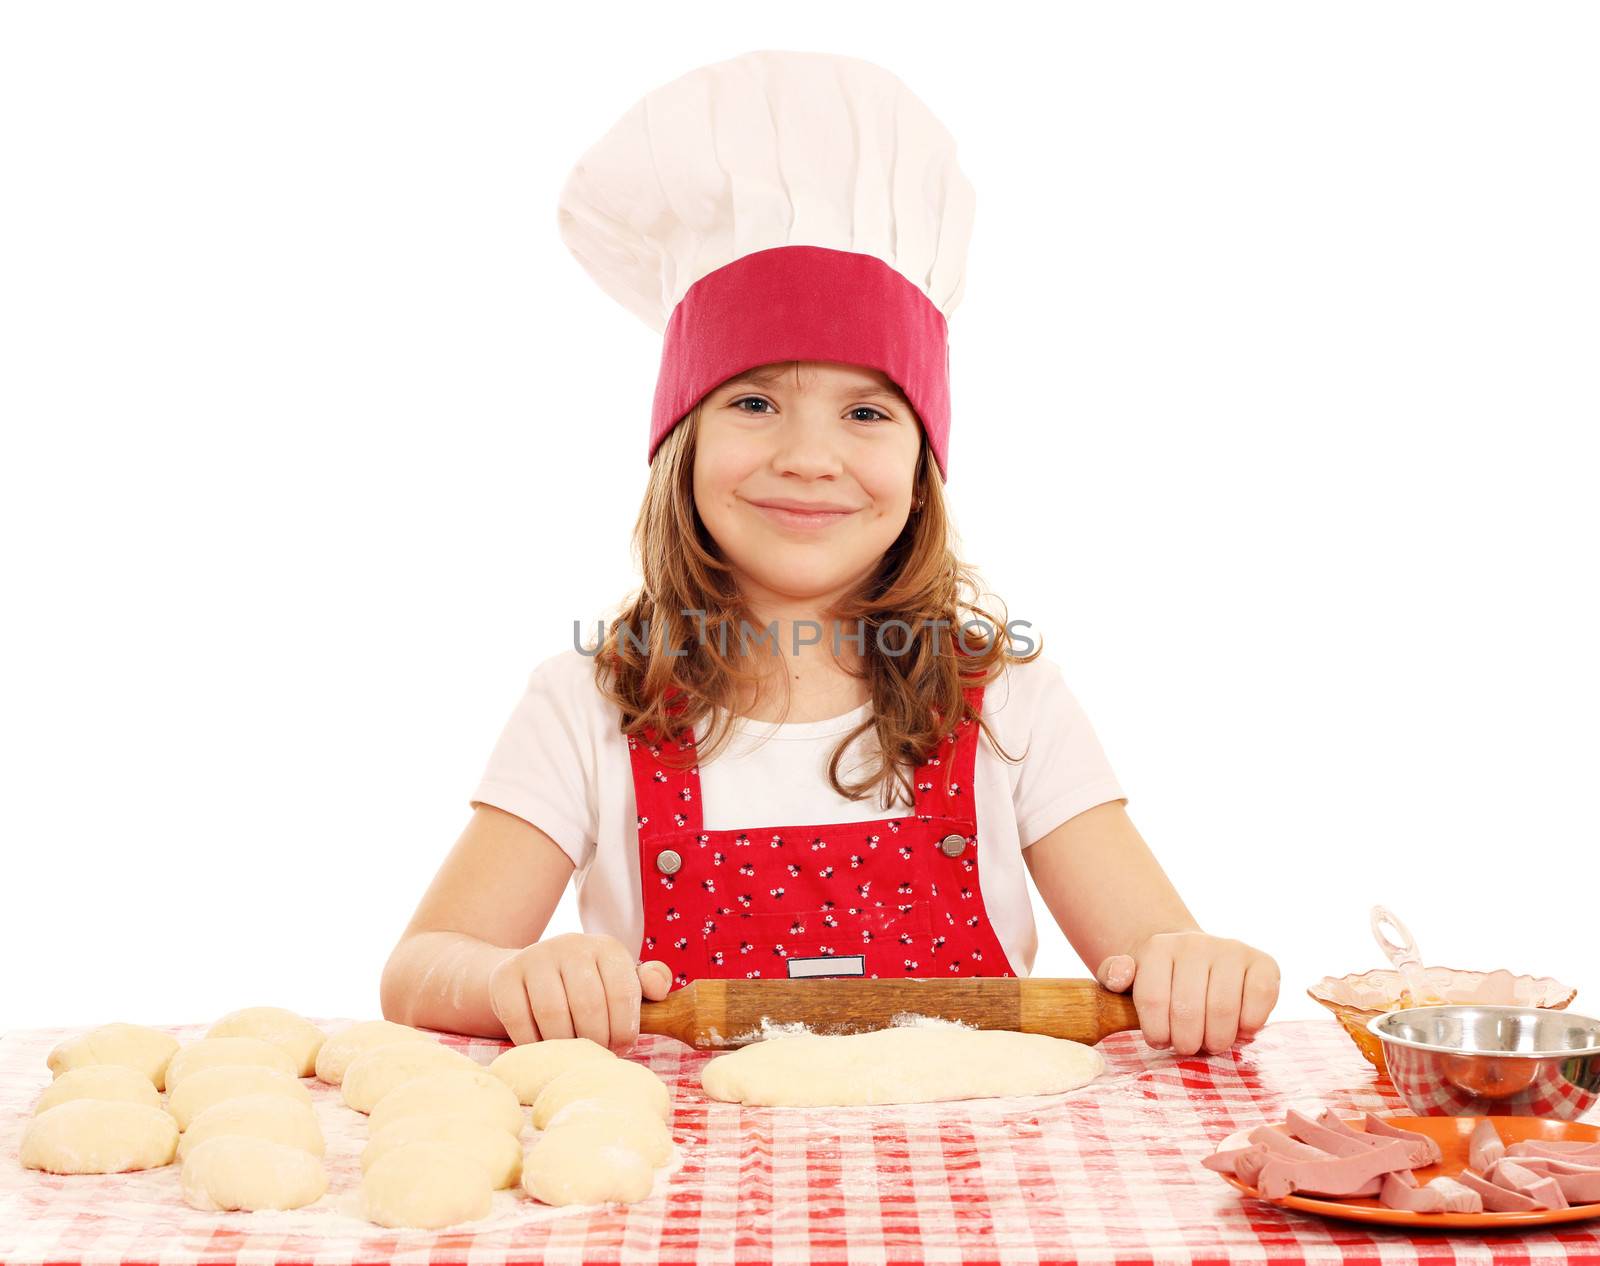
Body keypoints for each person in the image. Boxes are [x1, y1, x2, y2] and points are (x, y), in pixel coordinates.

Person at [379, 49, 1279, 1060]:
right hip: (684, 1201)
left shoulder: (1012, 703)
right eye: (755, 402)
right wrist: (509, 975)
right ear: (681, 442)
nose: (809, 459)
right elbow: (420, 971)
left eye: (864, 411)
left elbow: (1156, 949)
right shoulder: (589, 702)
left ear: (921, 462)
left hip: (970, 1191)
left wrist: (1193, 967)